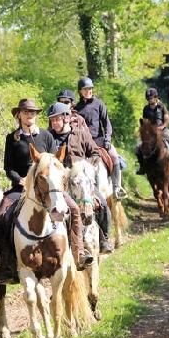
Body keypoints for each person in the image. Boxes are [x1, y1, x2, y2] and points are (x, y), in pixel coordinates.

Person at [0, 98, 91, 269]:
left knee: (75, 209)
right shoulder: (12, 138)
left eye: (32, 112)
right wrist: (20, 179)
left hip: (49, 187)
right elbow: (8, 167)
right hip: (22, 187)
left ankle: (79, 252)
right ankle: (5, 261)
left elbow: (56, 162)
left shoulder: (46, 136)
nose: (29, 115)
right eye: (26, 112)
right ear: (19, 115)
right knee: (2, 214)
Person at [47, 102, 113, 254]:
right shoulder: (49, 137)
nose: (54, 123)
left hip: (81, 180)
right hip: (60, 183)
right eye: (52, 120)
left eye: (57, 119)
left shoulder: (81, 133)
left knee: (102, 203)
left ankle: (104, 239)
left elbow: (95, 152)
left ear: (66, 118)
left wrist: (85, 168)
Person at [74, 77, 127, 199]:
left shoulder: (99, 104)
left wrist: (107, 138)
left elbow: (106, 123)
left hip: (98, 140)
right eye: (86, 89)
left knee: (114, 156)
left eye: (90, 88)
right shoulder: (76, 108)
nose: (89, 91)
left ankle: (117, 187)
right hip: (83, 143)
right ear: (80, 91)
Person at [136, 87, 169, 174]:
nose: (149, 100)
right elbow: (146, 122)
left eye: (151, 98)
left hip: (162, 129)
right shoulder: (146, 109)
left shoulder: (161, 106)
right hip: (151, 132)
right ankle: (142, 166)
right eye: (148, 99)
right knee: (138, 146)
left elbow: (167, 119)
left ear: (155, 97)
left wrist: (163, 126)